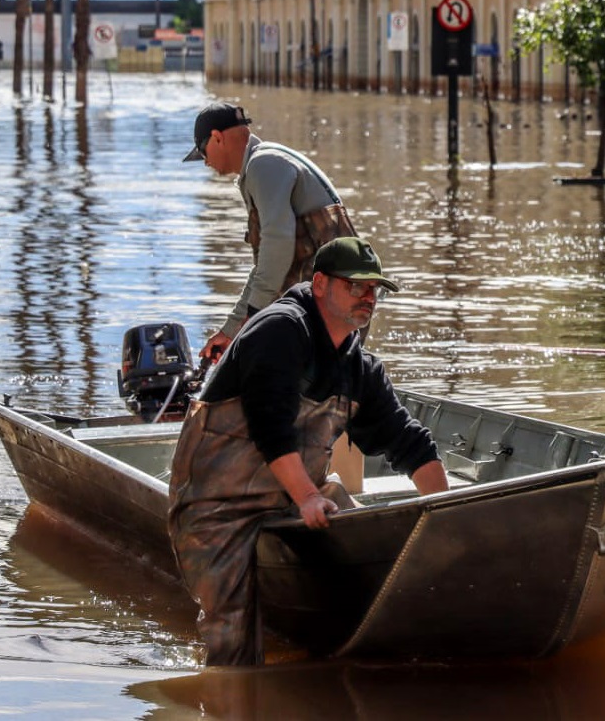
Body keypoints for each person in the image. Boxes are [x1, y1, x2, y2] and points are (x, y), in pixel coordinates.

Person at [167, 236, 449, 667]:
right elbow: (270, 429)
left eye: (374, 289)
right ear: (319, 284)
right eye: (356, 286)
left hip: (292, 498)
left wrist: (445, 517)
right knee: (234, 639)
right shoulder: (279, 330)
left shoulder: (360, 368)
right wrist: (308, 497)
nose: (368, 297)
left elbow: (410, 442)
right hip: (215, 505)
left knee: (363, 556)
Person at [183, 100, 356, 365]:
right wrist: (231, 329)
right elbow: (265, 267)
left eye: (203, 152)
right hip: (330, 304)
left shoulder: (263, 166)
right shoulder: (265, 161)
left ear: (217, 138)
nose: (205, 162)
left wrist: (252, 319)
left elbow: (277, 249)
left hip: (336, 306)